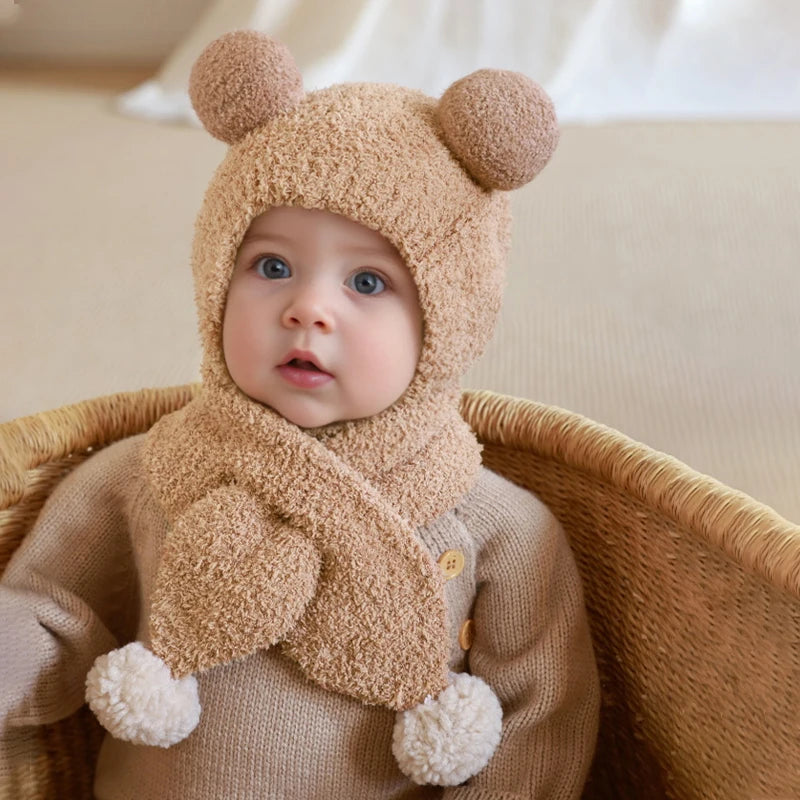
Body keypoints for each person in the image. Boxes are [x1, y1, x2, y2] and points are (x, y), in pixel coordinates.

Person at [1, 30, 600, 799]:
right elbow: (55, 613)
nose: (308, 308)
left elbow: (540, 719)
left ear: (451, 318)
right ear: (215, 279)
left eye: (369, 283)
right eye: (272, 267)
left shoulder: (500, 529)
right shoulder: (142, 474)